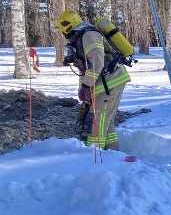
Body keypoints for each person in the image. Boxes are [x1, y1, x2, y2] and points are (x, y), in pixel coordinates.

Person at [55, 10, 130, 151]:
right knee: (105, 121)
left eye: (61, 29)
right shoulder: (79, 38)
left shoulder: (89, 35)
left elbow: (96, 64)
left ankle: (94, 157)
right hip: (104, 83)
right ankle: (113, 155)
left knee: (96, 121)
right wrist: (82, 88)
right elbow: (84, 68)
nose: (61, 32)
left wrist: (85, 86)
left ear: (67, 26)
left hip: (110, 82)